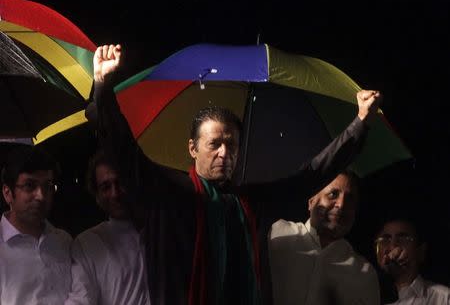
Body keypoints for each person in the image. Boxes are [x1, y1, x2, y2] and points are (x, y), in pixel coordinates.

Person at [88, 44, 381, 305]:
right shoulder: (171, 190)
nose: (224, 153)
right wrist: (103, 85)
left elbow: (313, 174)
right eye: (214, 144)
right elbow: (122, 150)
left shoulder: (251, 202)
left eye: (232, 145)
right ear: (193, 148)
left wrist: (359, 124)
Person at [269, 170, 380, 305]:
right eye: (333, 194)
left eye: (350, 199)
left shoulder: (364, 272)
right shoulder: (278, 233)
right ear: (311, 201)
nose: (341, 204)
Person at [65, 150, 151, 305]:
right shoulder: (88, 243)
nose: (115, 193)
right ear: (97, 196)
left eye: (121, 182)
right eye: (106, 187)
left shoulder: (160, 230)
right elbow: (81, 298)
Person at [0, 145, 72, 305]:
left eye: (47, 186)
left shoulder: (64, 241)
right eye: (29, 186)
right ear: (7, 193)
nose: (40, 196)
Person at [375, 216, 450, 304]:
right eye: (385, 240)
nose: (392, 246)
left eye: (402, 239)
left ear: (420, 251)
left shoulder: (443, 298)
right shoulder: (365, 293)